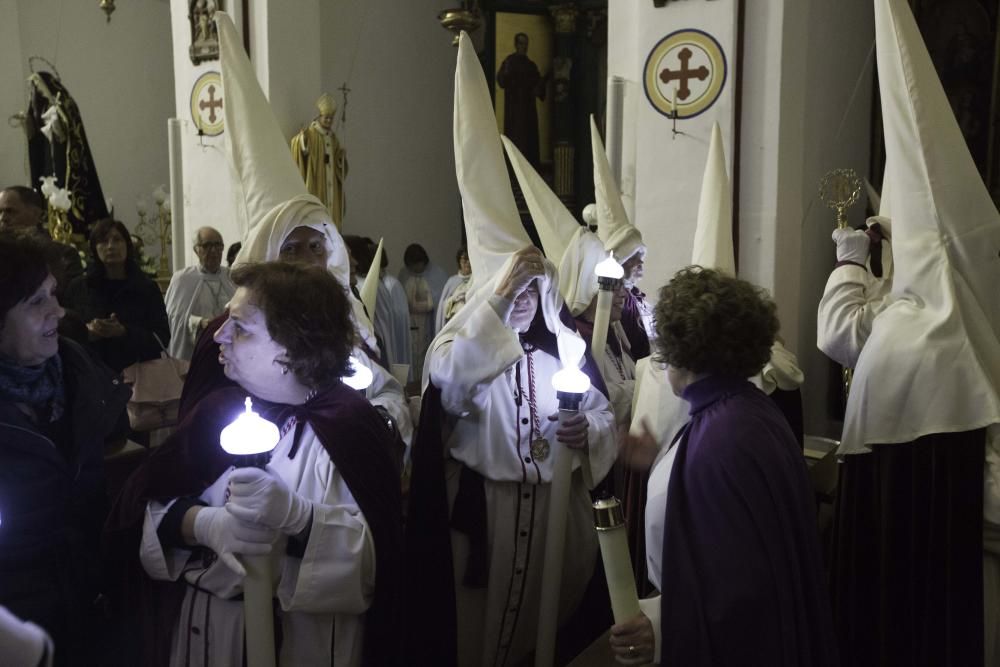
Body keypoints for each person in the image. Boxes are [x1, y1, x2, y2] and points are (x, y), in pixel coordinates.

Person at [407, 36, 616, 667]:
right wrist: (495, 301)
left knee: (544, 634)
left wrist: (589, 431)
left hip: (555, 514)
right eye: (512, 290)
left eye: (533, 287)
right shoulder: (462, 339)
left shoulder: (567, 350)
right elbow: (448, 380)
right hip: (487, 519)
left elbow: (605, 415)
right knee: (478, 638)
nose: (524, 299)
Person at [105, 261, 402, 666]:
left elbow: (376, 567)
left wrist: (300, 521)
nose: (219, 334)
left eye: (240, 327)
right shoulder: (217, 411)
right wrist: (201, 525)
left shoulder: (350, 428)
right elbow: (140, 508)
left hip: (302, 644)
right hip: (203, 637)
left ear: (294, 346)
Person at [612, 267, 837, 666]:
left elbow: (738, 591)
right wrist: (660, 464)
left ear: (680, 349)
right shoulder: (748, 410)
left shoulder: (721, 440)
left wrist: (662, 630)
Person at [0, 234, 131, 667]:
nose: (58, 311)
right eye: (36, 302)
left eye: (53, 294)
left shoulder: (77, 371)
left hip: (92, 609)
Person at [62, 218, 170, 373]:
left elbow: (162, 337)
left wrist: (124, 332)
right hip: (91, 373)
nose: (111, 246)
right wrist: (87, 331)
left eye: (117, 240)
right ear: (94, 248)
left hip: (138, 376)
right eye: (104, 241)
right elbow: (65, 333)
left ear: (127, 245)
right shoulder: (79, 287)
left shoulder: (145, 287)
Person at [589, 119, 654, 360]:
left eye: (641, 256)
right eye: (634, 258)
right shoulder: (612, 304)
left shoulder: (634, 299)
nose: (640, 264)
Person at [164, 227, 235, 360]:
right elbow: (173, 319)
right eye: (207, 245)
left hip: (228, 349)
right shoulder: (182, 279)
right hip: (197, 352)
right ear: (196, 250)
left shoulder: (232, 277)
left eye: (218, 245)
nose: (213, 250)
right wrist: (198, 323)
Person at [290, 93, 348, 228]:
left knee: (331, 217)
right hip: (317, 183)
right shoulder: (311, 134)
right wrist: (302, 141)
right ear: (319, 116)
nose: (329, 121)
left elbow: (340, 165)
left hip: (331, 187)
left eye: (331, 118)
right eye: (326, 118)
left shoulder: (333, 139)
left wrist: (341, 158)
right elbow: (298, 145)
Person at [398, 243, 448, 383]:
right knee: (412, 353)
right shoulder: (404, 275)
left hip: (428, 323)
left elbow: (439, 301)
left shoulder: (437, 274)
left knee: (427, 352)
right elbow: (401, 301)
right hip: (411, 323)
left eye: (418, 264)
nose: (416, 269)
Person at [496, 32, 548, 166]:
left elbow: (538, 88)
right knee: (516, 140)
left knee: (529, 142)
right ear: (515, 44)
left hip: (528, 111)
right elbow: (501, 81)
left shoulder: (531, 65)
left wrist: (541, 84)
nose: (524, 47)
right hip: (514, 111)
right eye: (521, 43)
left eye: (526, 44)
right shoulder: (509, 62)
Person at [435, 245, 472, 331]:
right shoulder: (452, 282)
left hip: (470, 323)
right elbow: (442, 307)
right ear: (459, 261)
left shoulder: (477, 279)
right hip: (454, 325)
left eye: (470, 258)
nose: (468, 262)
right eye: (465, 259)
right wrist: (453, 299)